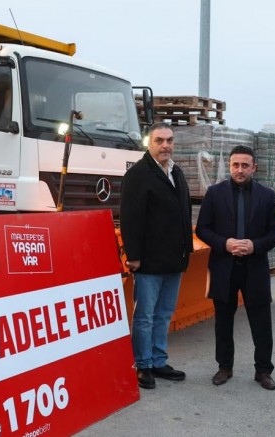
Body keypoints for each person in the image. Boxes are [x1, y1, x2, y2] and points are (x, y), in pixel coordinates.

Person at [195, 145, 275, 390]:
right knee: (223, 322)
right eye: (236, 165)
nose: (240, 170)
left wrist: (255, 246)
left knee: (261, 322)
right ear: (230, 166)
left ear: (254, 167)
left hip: (255, 268)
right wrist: (225, 243)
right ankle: (224, 367)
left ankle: (263, 370)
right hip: (224, 267)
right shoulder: (215, 194)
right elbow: (202, 229)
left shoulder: (267, 196)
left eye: (245, 165)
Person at [120, 122, 193, 389]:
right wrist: (134, 255)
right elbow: (130, 218)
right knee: (144, 316)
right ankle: (143, 365)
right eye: (159, 140)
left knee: (163, 314)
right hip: (149, 261)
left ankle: (159, 361)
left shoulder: (177, 173)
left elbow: (184, 213)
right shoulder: (138, 174)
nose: (165, 146)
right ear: (149, 143)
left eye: (169, 140)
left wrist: (186, 250)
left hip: (173, 259)